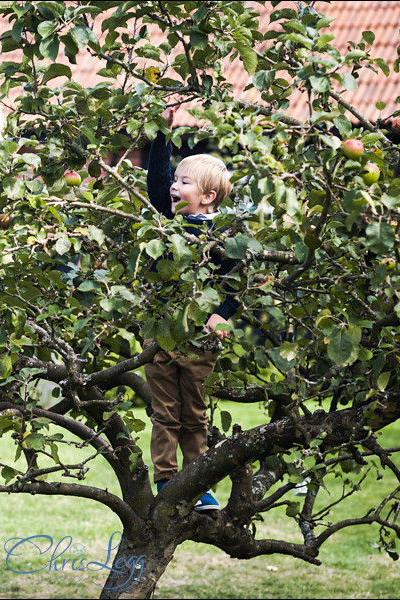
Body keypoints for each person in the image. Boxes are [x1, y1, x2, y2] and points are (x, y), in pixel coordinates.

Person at [144, 100, 239, 512]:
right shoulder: (169, 220)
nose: (174, 186)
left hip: (200, 335)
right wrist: (165, 132)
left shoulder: (223, 235)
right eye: (176, 179)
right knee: (165, 411)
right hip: (162, 330)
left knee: (195, 413)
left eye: (184, 182)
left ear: (208, 196)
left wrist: (223, 315)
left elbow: (237, 282)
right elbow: (155, 179)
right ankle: (166, 480)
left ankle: (197, 482)